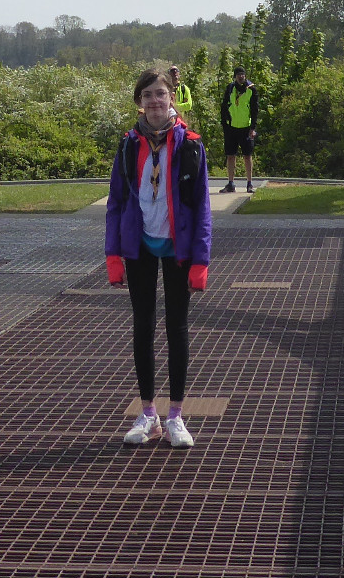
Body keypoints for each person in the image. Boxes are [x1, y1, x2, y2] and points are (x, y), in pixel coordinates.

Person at [108, 64, 212, 449]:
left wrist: (201, 260)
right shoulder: (128, 145)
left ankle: (176, 417)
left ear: (172, 98)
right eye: (148, 94)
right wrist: (113, 255)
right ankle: (149, 414)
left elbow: (202, 208)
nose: (154, 101)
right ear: (140, 101)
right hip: (139, 246)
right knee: (143, 326)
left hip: (177, 248)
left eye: (161, 94)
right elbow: (116, 203)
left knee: (176, 328)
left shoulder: (190, 146)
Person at [220, 65, 259, 193]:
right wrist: (224, 124)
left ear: (245, 75)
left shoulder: (251, 89)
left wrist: (253, 128)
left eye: (242, 74)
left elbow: (255, 110)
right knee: (230, 155)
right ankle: (231, 183)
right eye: (238, 75)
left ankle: (249, 183)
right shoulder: (230, 88)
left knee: (247, 156)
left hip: (246, 128)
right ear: (235, 76)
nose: (240, 77)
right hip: (231, 127)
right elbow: (224, 106)